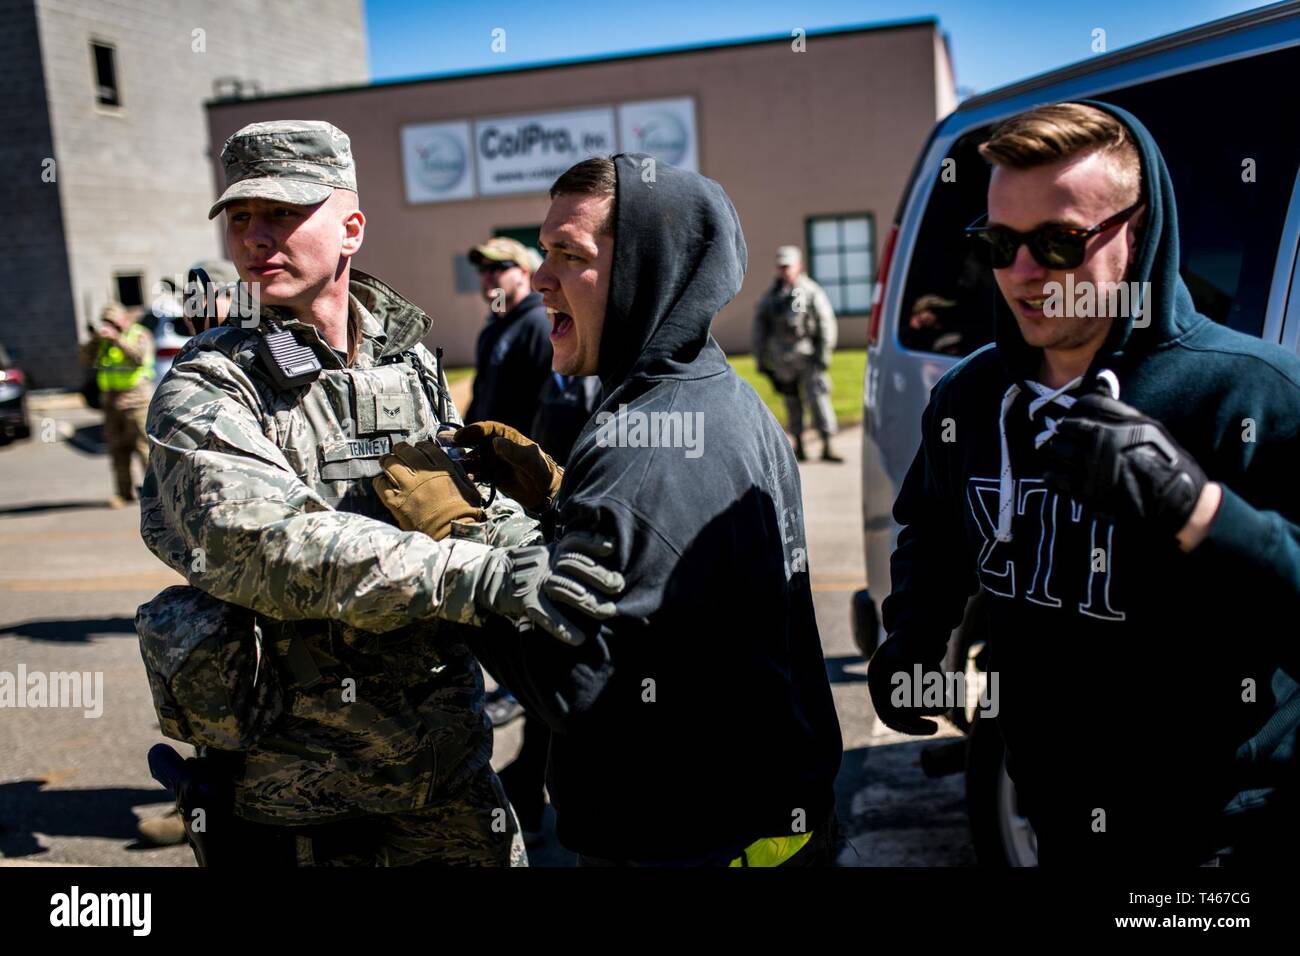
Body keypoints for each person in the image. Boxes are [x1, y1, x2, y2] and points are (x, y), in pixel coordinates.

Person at [138, 120, 620, 867]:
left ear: (351, 227)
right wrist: (483, 578)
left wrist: (549, 556)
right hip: (295, 796)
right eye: (240, 217)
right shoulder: (210, 382)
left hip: (442, 774)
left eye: (284, 214)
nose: (256, 238)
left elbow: (455, 507)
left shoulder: (407, 359)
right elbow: (263, 546)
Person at [867, 102, 1300, 865]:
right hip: (1054, 815)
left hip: (1226, 833)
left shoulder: (1256, 394)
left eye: (1060, 243)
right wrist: (912, 636)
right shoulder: (969, 398)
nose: (1025, 274)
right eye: (999, 243)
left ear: (1136, 231)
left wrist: (1201, 511)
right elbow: (934, 528)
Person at [401, 154, 844, 866]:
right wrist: (555, 502)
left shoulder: (645, 450)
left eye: (570, 255)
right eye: (543, 251)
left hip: (691, 839)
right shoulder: (715, 394)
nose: (541, 278)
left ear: (649, 270)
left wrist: (460, 546)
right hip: (767, 817)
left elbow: (580, 685)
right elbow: (666, 592)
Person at [752, 245, 841, 462]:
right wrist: (761, 359)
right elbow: (759, 329)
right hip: (783, 360)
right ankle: (799, 445)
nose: (785, 271)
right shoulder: (772, 297)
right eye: (781, 267)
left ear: (798, 266)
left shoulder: (811, 292)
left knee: (818, 400)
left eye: (788, 266)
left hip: (809, 356)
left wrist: (824, 354)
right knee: (792, 403)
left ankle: (827, 444)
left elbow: (825, 322)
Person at [464, 236, 553, 434]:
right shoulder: (491, 330)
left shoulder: (540, 324)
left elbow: (553, 408)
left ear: (523, 272)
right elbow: (480, 395)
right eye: (483, 269)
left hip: (526, 458)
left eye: (498, 267)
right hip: (489, 456)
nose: (488, 276)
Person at [79, 302, 155, 506]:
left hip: (137, 400)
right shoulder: (103, 340)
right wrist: (95, 340)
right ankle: (123, 492)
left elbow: (139, 358)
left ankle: (155, 493)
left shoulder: (139, 334)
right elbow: (85, 359)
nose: (109, 326)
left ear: (123, 319)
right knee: (117, 449)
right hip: (112, 402)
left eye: (113, 322)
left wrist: (118, 340)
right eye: (106, 322)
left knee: (144, 449)